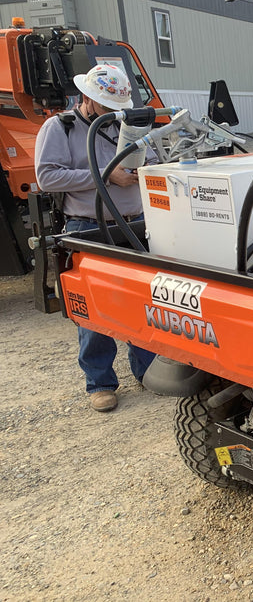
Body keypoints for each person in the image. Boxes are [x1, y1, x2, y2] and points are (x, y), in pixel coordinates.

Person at [34, 63, 156, 412]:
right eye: (105, 106)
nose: (113, 113)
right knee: (94, 308)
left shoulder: (126, 122)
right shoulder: (60, 128)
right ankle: (100, 382)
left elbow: (157, 157)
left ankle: (147, 370)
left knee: (141, 300)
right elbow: (48, 177)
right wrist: (106, 176)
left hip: (135, 224)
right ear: (86, 98)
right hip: (88, 227)